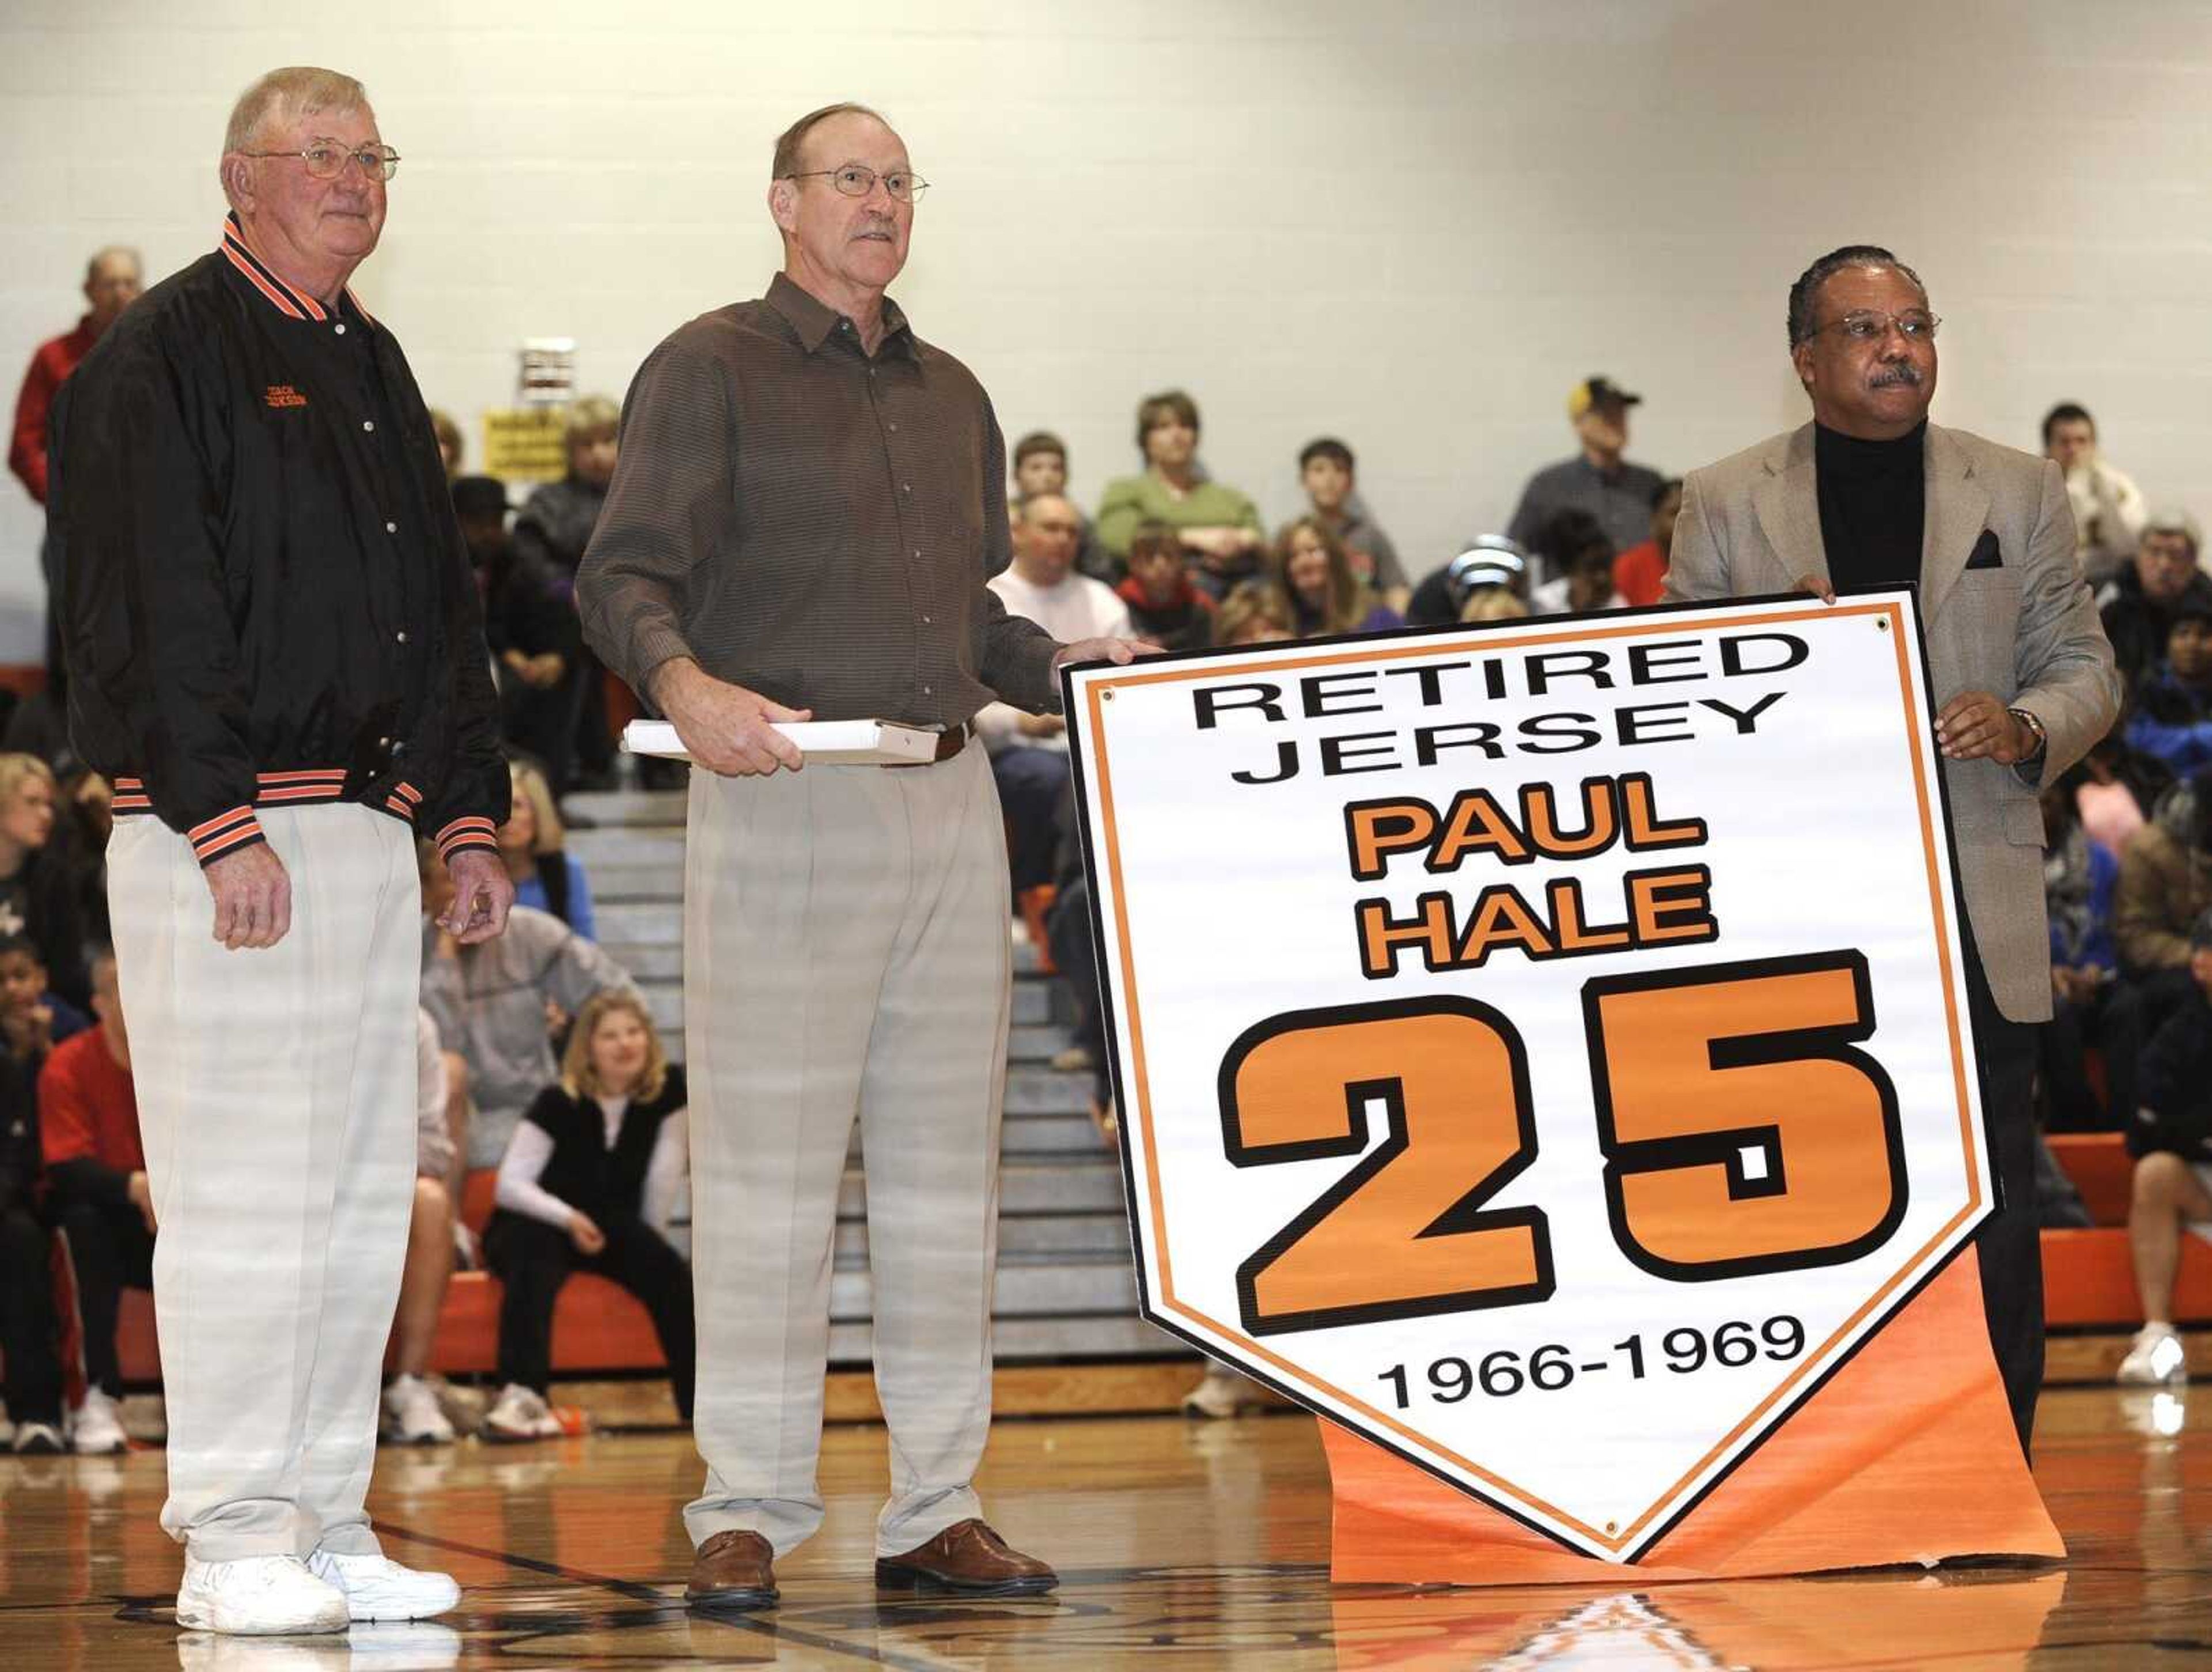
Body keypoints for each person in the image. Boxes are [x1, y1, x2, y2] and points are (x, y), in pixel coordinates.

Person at [573, 99, 1137, 1613]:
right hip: (786, 794)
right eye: (852, 177)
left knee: (954, 1172)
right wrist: (683, 687)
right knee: (764, 1169)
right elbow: (623, 575)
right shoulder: (708, 367)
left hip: (953, 793)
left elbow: (970, 617)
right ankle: (745, 1501)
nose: (881, 200)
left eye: (899, 179)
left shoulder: (954, 392)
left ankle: (935, 1500)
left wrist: (1071, 660)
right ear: (783, 202)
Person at [50, 66, 513, 1635]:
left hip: (370, 832)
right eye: (316, 154)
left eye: (370, 153)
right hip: (226, 834)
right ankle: (234, 1523)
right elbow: (139, 605)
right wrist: (220, 814)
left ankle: (322, 1509)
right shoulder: (158, 352)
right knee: (245, 1191)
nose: (351, 178)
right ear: (238, 177)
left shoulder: (368, 357)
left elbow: (439, 611)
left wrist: (463, 807)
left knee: (352, 1190)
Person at [1665, 243, 2122, 1454]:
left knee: (1994, 1202)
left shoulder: (2017, 489)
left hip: (1974, 905)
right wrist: (1766, 655)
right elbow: (1664, 699)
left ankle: (1995, 1464)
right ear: (1806, 361)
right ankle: (1817, 1463)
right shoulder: (1722, 502)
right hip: (1792, 913)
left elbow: (2086, 667)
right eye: (1864, 329)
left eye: (1914, 324)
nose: (1897, 347)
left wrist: (2025, 724)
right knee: (1804, 1198)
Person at [481, 990, 693, 1441]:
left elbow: (663, 1179)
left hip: (612, 1223)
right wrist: (568, 1220)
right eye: (611, 1035)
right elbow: (511, 1186)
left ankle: (699, 1407)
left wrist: (646, 1249)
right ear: (589, 1047)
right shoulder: (557, 1101)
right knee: (533, 1258)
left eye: (634, 1032)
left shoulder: (669, 1093)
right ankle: (523, 1397)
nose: (625, 1044)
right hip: (537, 1220)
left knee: (673, 1274)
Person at [418, 841, 634, 1174]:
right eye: (450, 882)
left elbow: (618, 997)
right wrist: (445, 962)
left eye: (475, 882)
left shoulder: (533, 934)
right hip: (442, 1120)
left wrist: (584, 1059)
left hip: (533, 1106)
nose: (467, 897)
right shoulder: (408, 953)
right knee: (449, 1070)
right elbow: (445, 1051)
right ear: (424, 891)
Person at [978, 494, 1131, 896]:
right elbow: (969, 695)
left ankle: (1099, 900)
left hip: (1093, 746)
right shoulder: (989, 598)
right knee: (1048, 780)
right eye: (1051, 527)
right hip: (1012, 747)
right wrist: (1022, 720)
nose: (1063, 539)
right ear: (1018, 532)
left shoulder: (1101, 599)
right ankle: (1037, 894)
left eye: (1072, 531)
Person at [9, 248, 142, 701]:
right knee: (73, 645)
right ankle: (66, 754)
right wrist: (66, 502)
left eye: (130, 282)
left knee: (144, 639)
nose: (121, 293)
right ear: (89, 291)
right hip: (77, 533)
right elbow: (25, 445)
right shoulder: (55, 358)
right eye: (110, 283)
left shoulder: (157, 355)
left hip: (145, 531)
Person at [39, 952, 147, 1456]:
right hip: (108, 1217)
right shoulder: (70, 1064)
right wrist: (135, 1186)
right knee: (84, 1223)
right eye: (124, 989)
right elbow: (67, 1167)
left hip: (173, 1216)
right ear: (101, 1003)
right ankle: (97, 1397)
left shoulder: (181, 1065)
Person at [2116, 909, 2212, 1384]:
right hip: (2204, 1175)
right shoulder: (2173, 1019)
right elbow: (2142, 1126)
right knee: (2153, 1174)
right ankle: (2156, 1332)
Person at [515, 396, 622, 790]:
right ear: (570, 451)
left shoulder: (647, 494)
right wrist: (571, 591)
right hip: (567, 622)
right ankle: (582, 766)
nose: (597, 454)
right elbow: (531, 562)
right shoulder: (547, 501)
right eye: (586, 444)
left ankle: (659, 767)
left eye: (607, 441)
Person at [454, 476, 580, 783]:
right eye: (478, 523)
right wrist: (509, 655)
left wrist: (555, 656)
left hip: (508, 667)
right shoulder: (436, 565)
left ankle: (548, 792)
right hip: (457, 670)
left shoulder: (516, 564)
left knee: (561, 677)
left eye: (495, 522)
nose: (489, 532)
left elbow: (554, 616)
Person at [380, 1008, 463, 1446]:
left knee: (431, 1202)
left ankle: (409, 1384)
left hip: (381, 1186)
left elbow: (434, 1148)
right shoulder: (298, 1005)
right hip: (302, 1187)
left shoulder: (414, 1023)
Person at [1094, 389, 1266, 593]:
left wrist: (1238, 542)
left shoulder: (1229, 497)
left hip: (1234, 588)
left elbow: (1258, 536)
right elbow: (1119, 539)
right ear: (1145, 440)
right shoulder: (1126, 491)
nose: (1176, 435)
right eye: (1164, 427)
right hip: (1160, 597)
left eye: (1185, 426)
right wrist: (1197, 539)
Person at [0, 939, 66, 1454]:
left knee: (21, 1239)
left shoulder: (67, 1034)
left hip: (19, 1201)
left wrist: (39, 1053)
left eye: (20, 976)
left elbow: (23, 1156)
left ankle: (38, 1414)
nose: (12, 990)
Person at [2037, 776, 2128, 1132]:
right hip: (2038, 983)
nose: (2042, 810)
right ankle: (2074, 1121)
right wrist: (2046, 973)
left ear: (2064, 802)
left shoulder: (2101, 860)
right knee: (2055, 1010)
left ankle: (2124, 1123)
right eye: (2035, 803)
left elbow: (2120, 930)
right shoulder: (2006, 870)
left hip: (2097, 977)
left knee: (2129, 1006)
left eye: (2049, 800)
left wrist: (2097, 969)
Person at [1505, 376, 1665, 568]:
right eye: (1604, 413)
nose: (1616, 420)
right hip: (1571, 596)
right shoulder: (1548, 486)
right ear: (1578, 423)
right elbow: (1514, 552)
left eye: (1621, 412)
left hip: (1645, 596)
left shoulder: (1651, 483)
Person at [0, 753, 90, 1011]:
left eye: (49, 804)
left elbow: (67, 971)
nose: (46, 814)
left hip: (41, 1005)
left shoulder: (54, 877)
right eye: (32, 802)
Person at [2101, 513, 2211, 697]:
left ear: (2193, 562)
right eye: (2154, 552)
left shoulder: (2206, 605)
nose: (2164, 565)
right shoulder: (2109, 598)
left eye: (2175, 555)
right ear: (2138, 557)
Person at [2044, 402, 2146, 589]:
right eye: (2064, 441)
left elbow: (2132, 548)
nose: (2073, 449)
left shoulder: (2118, 486)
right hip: (2050, 586)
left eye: (2081, 441)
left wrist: (2108, 500)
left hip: (2107, 581)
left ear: (2094, 445)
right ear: (2048, 447)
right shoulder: (2032, 487)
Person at [1298, 437, 1408, 610]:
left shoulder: (1369, 536)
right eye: (1319, 470)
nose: (1329, 479)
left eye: (1339, 470)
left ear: (1351, 481)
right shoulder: (1295, 539)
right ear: (1304, 479)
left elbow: (1397, 589)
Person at [499, 758, 597, 940]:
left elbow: (585, 944)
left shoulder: (565, 871)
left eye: (517, 806)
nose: (507, 818)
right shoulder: (470, 869)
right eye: (500, 807)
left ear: (539, 814)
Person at [2123, 599, 2212, 776]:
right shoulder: (2148, 688)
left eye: (2203, 635)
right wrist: (2197, 738)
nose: (2192, 644)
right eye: (2183, 633)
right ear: (2168, 642)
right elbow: (2138, 741)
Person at [1274, 517, 1400, 638]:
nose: (1304, 562)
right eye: (1293, 556)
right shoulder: (1278, 625)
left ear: (1335, 557)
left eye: (1313, 550)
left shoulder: (1380, 620)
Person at [1010, 430, 1111, 581]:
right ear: (1017, 475)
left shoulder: (1077, 521)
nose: (1047, 476)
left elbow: (1099, 571)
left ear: (1066, 477)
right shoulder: (999, 519)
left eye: (1056, 468)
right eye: (1036, 468)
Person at [1116, 521, 1215, 652]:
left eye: (1168, 556)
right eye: (1149, 556)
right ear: (1133, 562)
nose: (1160, 564)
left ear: (1181, 560)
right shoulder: (1117, 603)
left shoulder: (1200, 605)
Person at [1528, 509, 1630, 616]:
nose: (1602, 577)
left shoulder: (1618, 607)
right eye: (1592, 569)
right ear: (1570, 572)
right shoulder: (1543, 603)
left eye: (1605, 565)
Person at [1612, 478, 1683, 607]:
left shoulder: (1714, 563)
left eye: (1690, 513)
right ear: (1654, 519)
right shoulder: (1629, 566)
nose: (1683, 521)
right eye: (1674, 513)